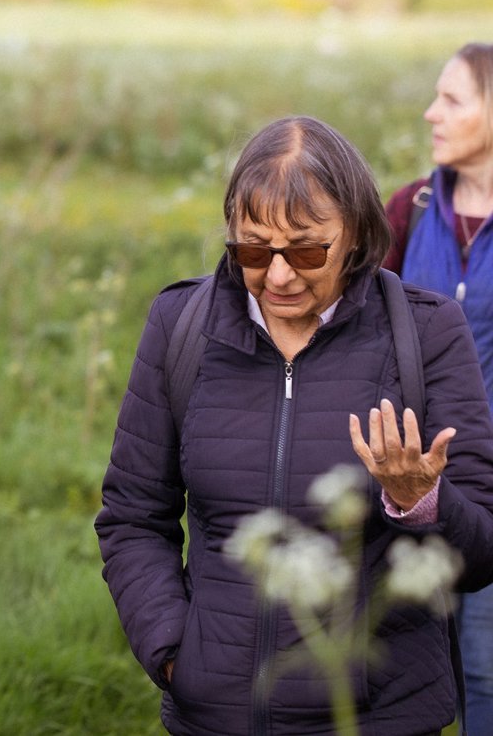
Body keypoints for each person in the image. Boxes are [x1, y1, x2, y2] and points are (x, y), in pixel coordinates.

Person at [96, 115, 493, 734]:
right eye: (253, 248)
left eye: (307, 249)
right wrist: (176, 654)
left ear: (358, 233)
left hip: (378, 719)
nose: (278, 275)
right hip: (214, 717)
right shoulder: (179, 325)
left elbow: (483, 551)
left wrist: (420, 502)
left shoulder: (427, 332)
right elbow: (131, 516)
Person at [384, 42, 493, 733]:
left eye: (452, 100)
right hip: (408, 489)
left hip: (488, 493)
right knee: (412, 673)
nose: (432, 113)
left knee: (484, 671)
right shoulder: (410, 208)